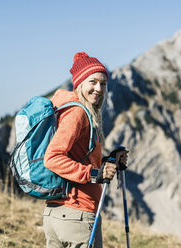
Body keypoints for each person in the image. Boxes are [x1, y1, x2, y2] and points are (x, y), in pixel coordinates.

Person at [43, 52, 128, 248]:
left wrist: (110, 160)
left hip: (57, 213)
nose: (99, 89)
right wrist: (94, 174)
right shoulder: (78, 112)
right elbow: (53, 158)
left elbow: (78, 157)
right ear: (80, 83)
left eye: (103, 83)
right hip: (77, 215)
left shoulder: (68, 110)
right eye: (93, 82)